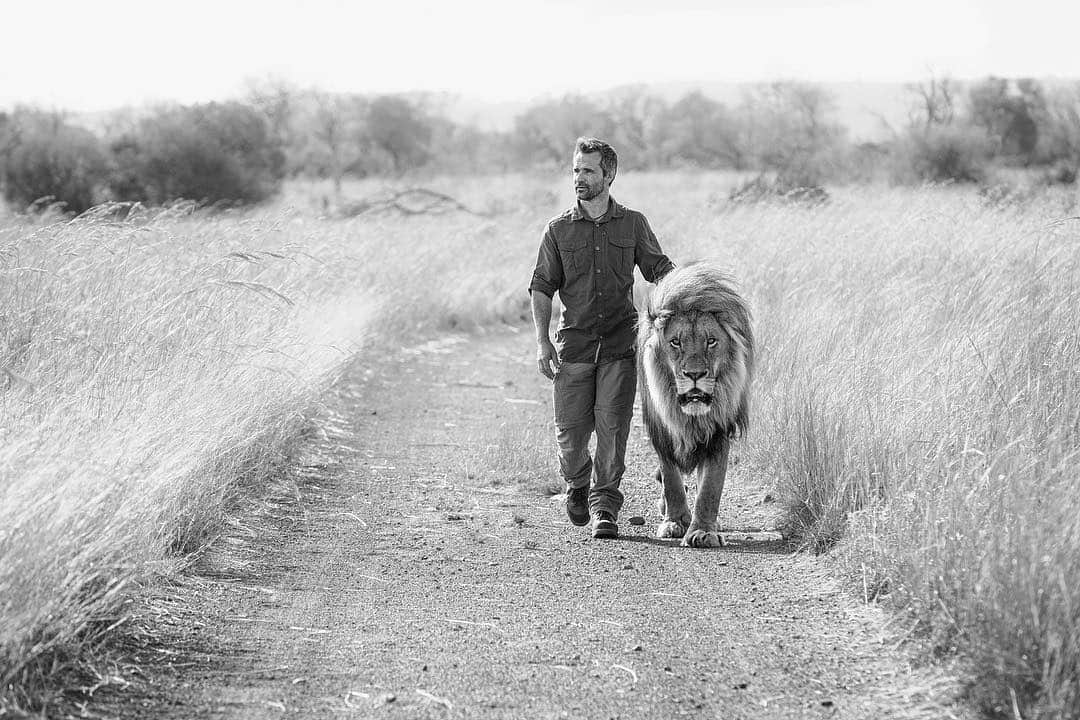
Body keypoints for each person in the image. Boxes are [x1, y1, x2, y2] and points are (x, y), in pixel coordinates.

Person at [529, 137, 675, 539]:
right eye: (576, 170)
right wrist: (542, 341)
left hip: (618, 346)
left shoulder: (633, 224)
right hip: (573, 348)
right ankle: (577, 484)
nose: (579, 178)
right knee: (571, 438)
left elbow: (658, 269)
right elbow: (541, 287)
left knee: (613, 429)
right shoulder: (558, 230)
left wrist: (687, 289)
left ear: (609, 174)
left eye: (588, 170)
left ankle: (605, 505)